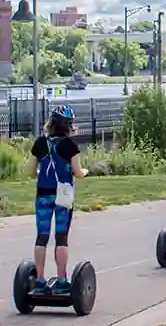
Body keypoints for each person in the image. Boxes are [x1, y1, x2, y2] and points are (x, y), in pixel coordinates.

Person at [28, 105, 88, 294]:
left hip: (43, 194)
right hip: (63, 195)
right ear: (68, 125)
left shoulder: (40, 142)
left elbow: (30, 172)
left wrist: (41, 172)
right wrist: (85, 172)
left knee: (42, 236)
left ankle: (39, 280)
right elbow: (78, 173)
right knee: (61, 237)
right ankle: (62, 280)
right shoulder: (71, 146)